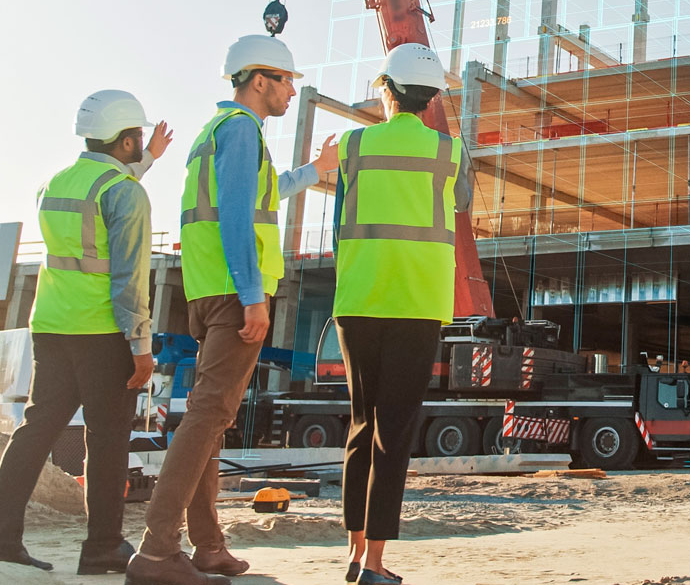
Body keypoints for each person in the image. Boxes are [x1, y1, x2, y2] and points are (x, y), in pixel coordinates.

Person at [125, 34, 338, 585]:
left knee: (207, 419)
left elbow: (258, 197)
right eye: (286, 80)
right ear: (259, 80)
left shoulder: (216, 132)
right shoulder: (243, 131)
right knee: (208, 417)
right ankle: (155, 551)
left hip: (206, 290)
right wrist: (252, 297)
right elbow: (239, 218)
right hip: (233, 292)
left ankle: (208, 546)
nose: (293, 90)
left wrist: (314, 170)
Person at [0, 90, 173, 575]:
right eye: (139, 138)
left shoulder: (54, 183)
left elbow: (99, 198)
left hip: (51, 327)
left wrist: (148, 160)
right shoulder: (126, 193)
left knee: (36, 428)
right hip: (102, 331)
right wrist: (141, 346)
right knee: (107, 439)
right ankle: (103, 546)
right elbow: (129, 278)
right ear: (126, 139)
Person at [332, 44, 470, 585]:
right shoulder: (450, 151)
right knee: (394, 430)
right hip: (416, 305)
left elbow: (345, 207)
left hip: (360, 301)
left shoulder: (353, 145)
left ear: (385, 89)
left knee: (361, 426)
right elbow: (460, 205)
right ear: (434, 97)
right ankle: (376, 566)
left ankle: (353, 552)